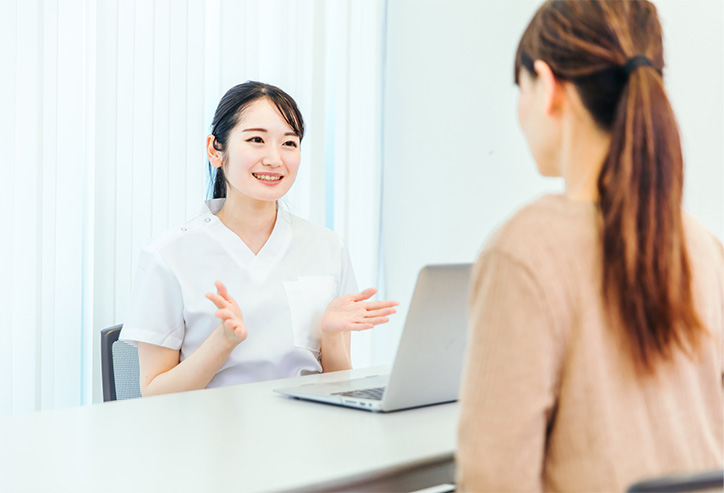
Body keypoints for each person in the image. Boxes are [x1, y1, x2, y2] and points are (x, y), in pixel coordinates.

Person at [456, 1, 723, 491]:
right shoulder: (704, 247)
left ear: (547, 85)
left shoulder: (525, 251)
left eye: (521, 89)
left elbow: (493, 480)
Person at [120, 81, 398, 396]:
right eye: (256, 139)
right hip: (211, 437)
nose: (274, 159)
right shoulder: (168, 255)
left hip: (306, 434)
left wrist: (330, 335)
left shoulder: (327, 247)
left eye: (289, 143)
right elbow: (154, 393)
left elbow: (341, 389)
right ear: (215, 150)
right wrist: (223, 341)